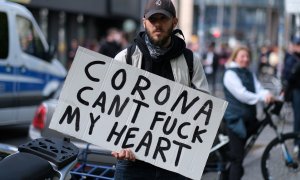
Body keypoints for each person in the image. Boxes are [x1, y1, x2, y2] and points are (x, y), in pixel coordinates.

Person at [112, 0, 209, 179]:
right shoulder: (125, 58)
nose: (157, 24)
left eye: (163, 19)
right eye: (152, 19)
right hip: (132, 162)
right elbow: (109, 108)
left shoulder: (190, 61)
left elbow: (203, 111)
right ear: (144, 22)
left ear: (174, 21)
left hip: (175, 164)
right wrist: (117, 145)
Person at [223, 46, 274, 180]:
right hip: (235, 121)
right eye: (242, 56)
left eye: (247, 57)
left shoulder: (249, 73)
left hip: (248, 119)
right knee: (237, 160)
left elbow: (258, 89)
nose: (245, 59)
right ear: (235, 57)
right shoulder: (230, 74)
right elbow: (242, 94)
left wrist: (267, 94)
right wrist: (262, 97)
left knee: (239, 157)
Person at [282, 36, 300, 155]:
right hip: (296, 91)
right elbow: (287, 76)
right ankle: (297, 144)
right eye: (297, 44)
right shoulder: (291, 58)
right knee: (298, 119)